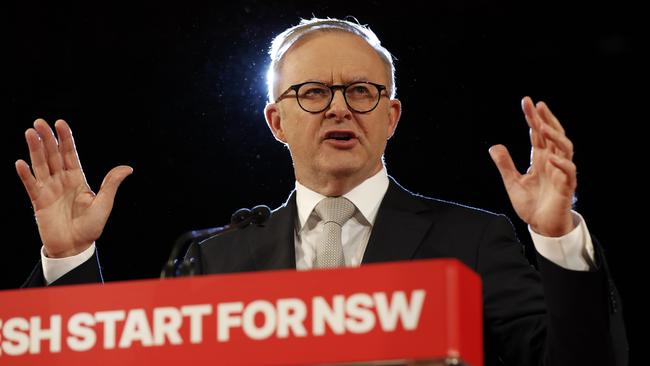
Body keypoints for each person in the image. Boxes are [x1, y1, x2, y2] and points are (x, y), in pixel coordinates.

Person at [16, 17, 627, 366]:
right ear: (277, 122)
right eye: (312, 92)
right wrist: (68, 262)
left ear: (390, 117)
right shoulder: (215, 259)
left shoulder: (472, 240)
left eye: (361, 92)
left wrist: (556, 239)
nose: (339, 108)